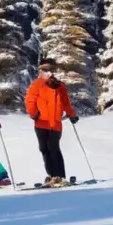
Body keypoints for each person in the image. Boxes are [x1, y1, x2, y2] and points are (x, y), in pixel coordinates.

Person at [25, 58, 79, 187]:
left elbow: (66, 103)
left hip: (55, 122)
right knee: (44, 149)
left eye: (50, 69)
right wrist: (33, 113)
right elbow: (29, 100)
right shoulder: (36, 84)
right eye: (45, 69)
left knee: (53, 148)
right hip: (41, 122)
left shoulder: (59, 86)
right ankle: (51, 176)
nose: (47, 72)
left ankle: (59, 176)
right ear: (40, 70)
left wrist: (72, 114)